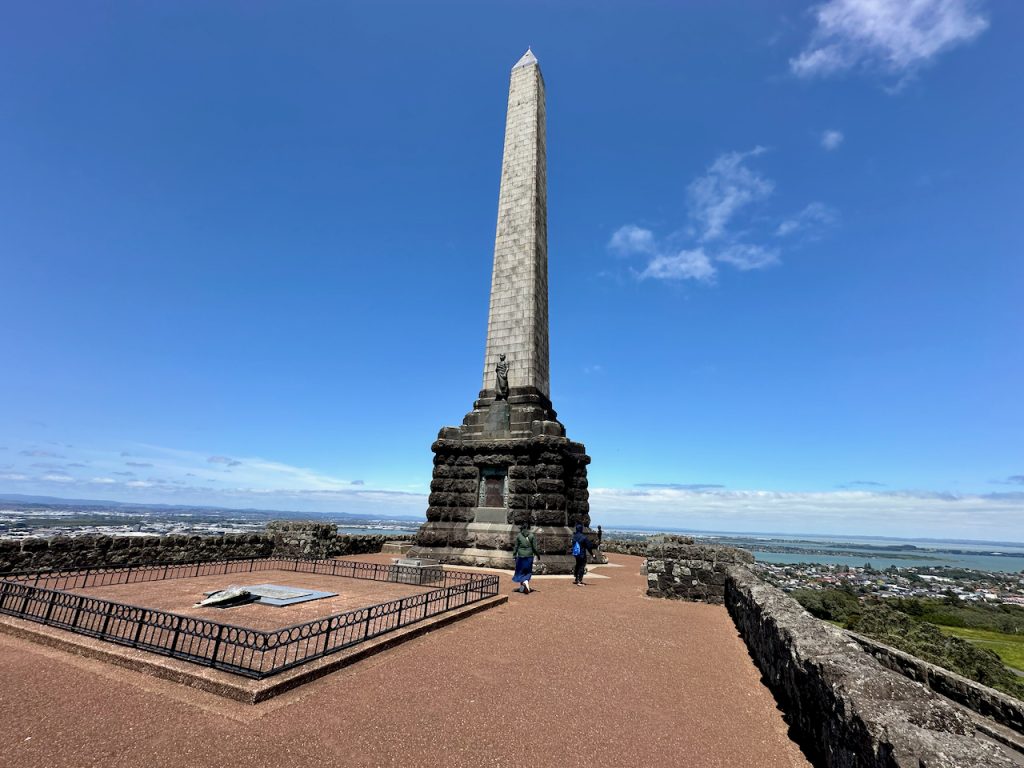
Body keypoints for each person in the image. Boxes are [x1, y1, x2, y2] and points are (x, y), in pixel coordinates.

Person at [512, 524, 539, 594]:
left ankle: (523, 585)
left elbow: (516, 547)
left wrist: (514, 555)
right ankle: (524, 584)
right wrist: (538, 555)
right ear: (529, 529)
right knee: (527, 571)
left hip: (520, 556)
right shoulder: (532, 536)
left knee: (520, 571)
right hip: (529, 556)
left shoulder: (519, 536)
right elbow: (534, 548)